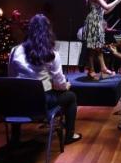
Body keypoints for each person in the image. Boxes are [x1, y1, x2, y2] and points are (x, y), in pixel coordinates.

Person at [8, 14, 82, 145]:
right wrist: (66, 86)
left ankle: (15, 139)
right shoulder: (51, 54)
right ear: (48, 32)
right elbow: (59, 84)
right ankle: (69, 135)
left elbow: (11, 77)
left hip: (17, 103)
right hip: (40, 104)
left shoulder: (15, 51)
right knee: (71, 96)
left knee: (20, 94)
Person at [83, 0, 121, 80]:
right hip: (93, 23)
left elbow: (105, 11)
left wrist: (119, 1)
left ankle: (102, 67)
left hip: (97, 23)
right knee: (93, 48)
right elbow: (106, 7)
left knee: (98, 47)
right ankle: (92, 70)